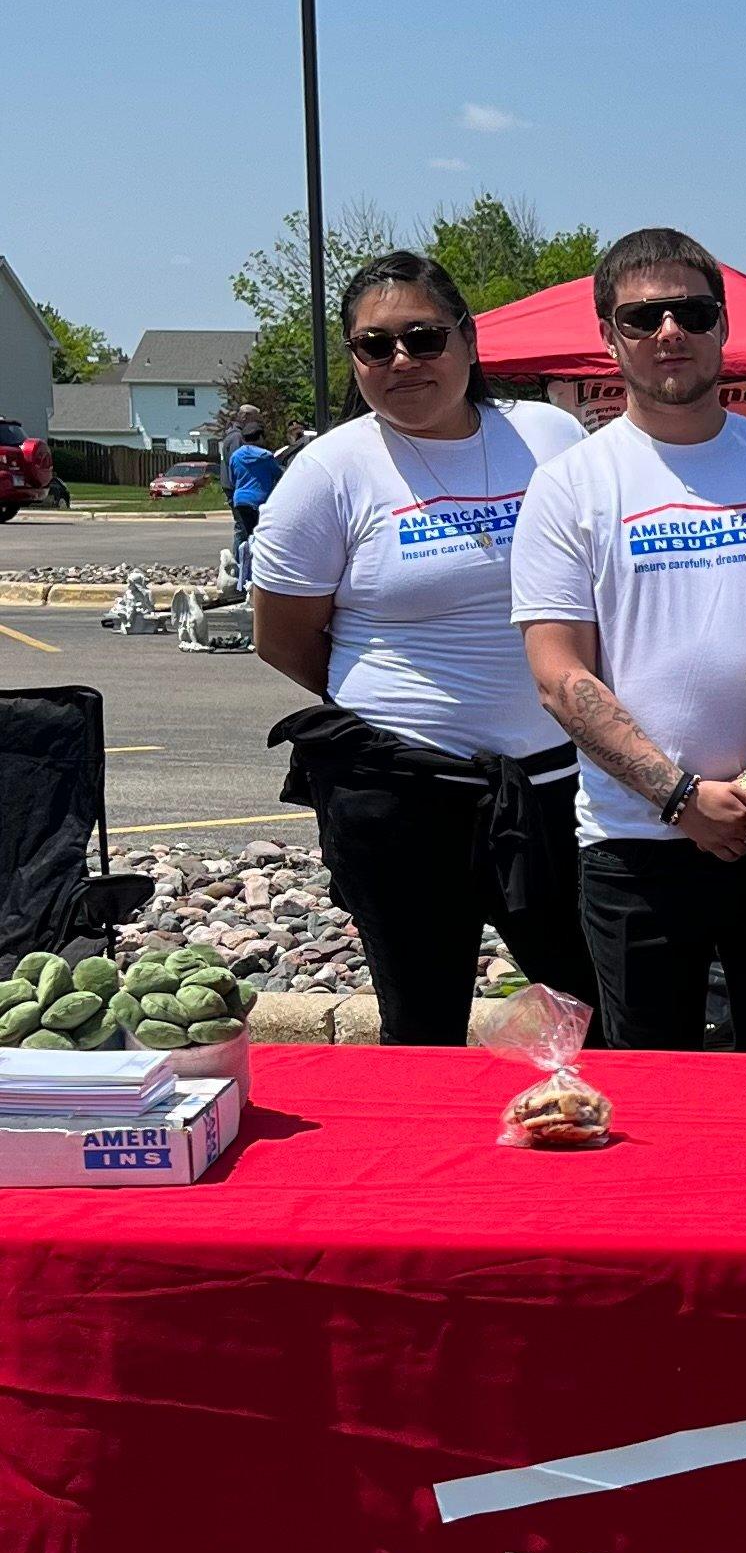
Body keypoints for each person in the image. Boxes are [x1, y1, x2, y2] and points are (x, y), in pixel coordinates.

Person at [249, 250, 595, 1045]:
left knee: (590, 1013)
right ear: (356, 360)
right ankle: (439, 1168)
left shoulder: (547, 434)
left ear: (468, 342)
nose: (402, 359)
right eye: (375, 345)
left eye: (424, 336)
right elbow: (284, 636)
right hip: (401, 798)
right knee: (423, 1024)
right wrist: (403, 706)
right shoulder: (329, 472)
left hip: (551, 786)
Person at [512, 227, 746, 1051]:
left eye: (691, 312)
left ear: (725, 326)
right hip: (635, 841)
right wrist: (680, 796)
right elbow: (559, 676)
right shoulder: (570, 485)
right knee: (653, 1084)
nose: (669, 333)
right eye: (642, 316)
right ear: (607, 336)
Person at [224, 414, 282, 590]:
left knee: (244, 536)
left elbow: (233, 478)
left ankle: (241, 573)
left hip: (240, 500)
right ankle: (258, 576)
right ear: (260, 437)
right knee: (260, 538)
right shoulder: (266, 456)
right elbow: (278, 475)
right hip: (260, 501)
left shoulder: (236, 456)